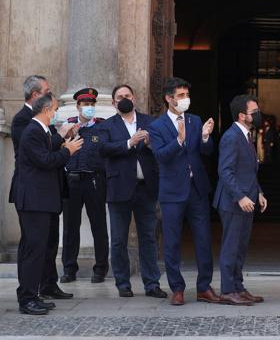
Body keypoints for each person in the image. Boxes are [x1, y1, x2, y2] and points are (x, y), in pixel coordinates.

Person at [148, 77, 218, 306]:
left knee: (203, 240)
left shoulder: (195, 120)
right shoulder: (157, 126)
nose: (185, 99)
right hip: (172, 192)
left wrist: (206, 136)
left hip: (197, 189)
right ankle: (177, 288)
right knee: (172, 242)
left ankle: (204, 287)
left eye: (187, 95)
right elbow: (160, 156)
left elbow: (205, 151)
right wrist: (178, 140)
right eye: (180, 96)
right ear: (169, 98)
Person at [14, 93, 83, 314]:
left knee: (40, 249)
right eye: (54, 109)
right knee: (33, 250)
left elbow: (47, 147)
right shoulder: (32, 131)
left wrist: (62, 138)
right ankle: (27, 298)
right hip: (35, 201)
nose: (55, 114)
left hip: (43, 200)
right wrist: (67, 151)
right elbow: (45, 160)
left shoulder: (40, 130)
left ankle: (33, 293)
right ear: (45, 110)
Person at [98, 84, 167, 299]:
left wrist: (150, 143)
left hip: (146, 188)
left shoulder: (151, 122)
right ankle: (123, 283)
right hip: (119, 189)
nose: (124, 99)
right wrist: (129, 142)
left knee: (148, 237)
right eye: (120, 97)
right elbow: (103, 149)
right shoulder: (106, 126)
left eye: (127, 95)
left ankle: (152, 283)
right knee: (119, 239)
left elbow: (163, 147)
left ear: (134, 98)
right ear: (113, 103)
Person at [213, 94, 268, 305]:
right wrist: (241, 196)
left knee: (240, 247)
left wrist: (258, 192)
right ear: (242, 115)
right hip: (232, 202)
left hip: (247, 200)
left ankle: (238, 287)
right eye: (254, 112)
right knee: (231, 246)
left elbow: (248, 171)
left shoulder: (246, 135)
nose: (257, 114)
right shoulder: (231, 136)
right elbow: (225, 171)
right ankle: (227, 290)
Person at [60, 88, 109, 284]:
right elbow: (58, 148)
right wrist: (70, 134)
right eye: (85, 104)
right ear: (78, 106)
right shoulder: (67, 125)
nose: (88, 107)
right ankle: (69, 269)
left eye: (91, 104)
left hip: (94, 180)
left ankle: (100, 269)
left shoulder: (102, 126)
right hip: (72, 180)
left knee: (99, 225)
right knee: (71, 227)